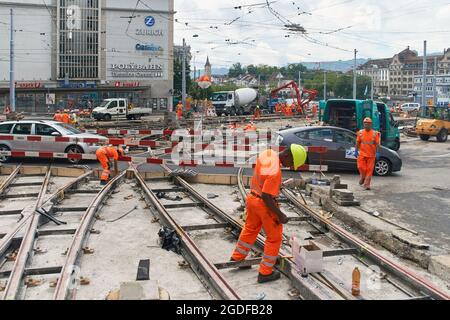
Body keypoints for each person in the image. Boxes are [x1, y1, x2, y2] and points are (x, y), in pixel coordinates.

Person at [230, 145, 308, 283]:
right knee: (274, 238)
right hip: (263, 204)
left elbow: (263, 178)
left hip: (252, 198)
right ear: (287, 156)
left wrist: (274, 186)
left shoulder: (268, 153)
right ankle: (265, 273)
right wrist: (280, 215)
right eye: (292, 163)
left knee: (250, 229)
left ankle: (237, 258)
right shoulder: (275, 172)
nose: (290, 167)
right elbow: (267, 197)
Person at [355, 118, 381, 190]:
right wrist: (356, 150)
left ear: (370, 124)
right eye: (365, 123)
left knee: (369, 170)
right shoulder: (360, 133)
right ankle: (363, 177)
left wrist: (378, 152)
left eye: (367, 124)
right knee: (361, 167)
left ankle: (367, 185)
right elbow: (357, 142)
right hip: (362, 154)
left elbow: (377, 144)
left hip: (371, 155)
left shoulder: (375, 133)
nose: (366, 125)